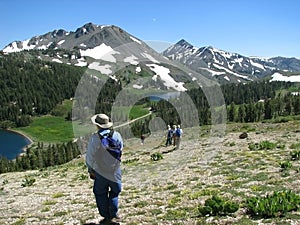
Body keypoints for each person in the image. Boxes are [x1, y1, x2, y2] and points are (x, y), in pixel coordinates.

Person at [86, 113, 123, 225]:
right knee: (115, 192)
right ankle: (114, 214)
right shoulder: (116, 135)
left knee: (100, 193)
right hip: (115, 169)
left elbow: (90, 156)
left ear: (97, 125)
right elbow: (120, 149)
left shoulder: (95, 138)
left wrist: (90, 170)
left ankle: (106, 216)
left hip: (100, 170)